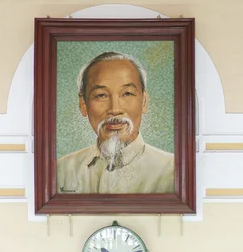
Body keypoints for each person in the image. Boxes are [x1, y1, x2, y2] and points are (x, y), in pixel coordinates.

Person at [57, 51, 174, 194]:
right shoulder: (61, 171)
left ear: (144, 101)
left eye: (127, 94)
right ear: (83, 104)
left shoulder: (172, 171)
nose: (115, 109)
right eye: (101, 95)